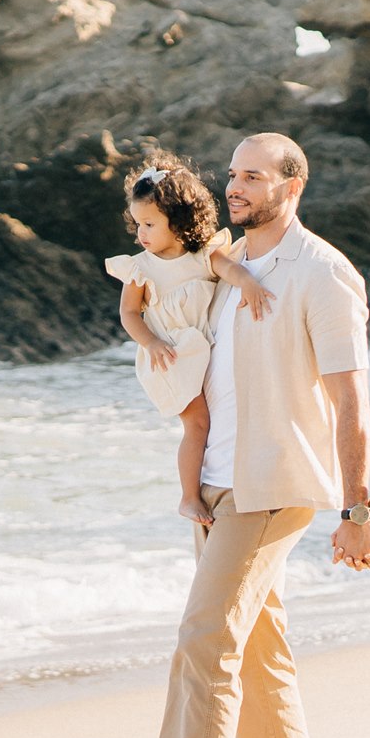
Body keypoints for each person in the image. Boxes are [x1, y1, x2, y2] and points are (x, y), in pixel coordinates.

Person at [149, 132, 370, 738]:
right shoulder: (225, 262)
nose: (236, 185)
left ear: (292, 185)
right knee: (254, 655)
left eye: (254, 175)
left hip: (272, 484)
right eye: (232, 173)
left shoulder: (323, 274)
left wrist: (355, 511)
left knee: (204, 635)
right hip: (216, 486)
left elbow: (351, 401)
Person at [105, 153, 276, 526]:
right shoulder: (141, 268)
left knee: (219, 415)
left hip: (201, 350)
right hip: (168, 354)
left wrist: (248, 282)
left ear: (179, 219)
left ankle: (232, 476)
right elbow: (129, 315)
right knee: (197, 423)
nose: (142, 234)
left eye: (150, 224)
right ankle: (188, 497)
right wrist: (151, 343)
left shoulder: (202, 255)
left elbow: (230, 268)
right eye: (138, 225)